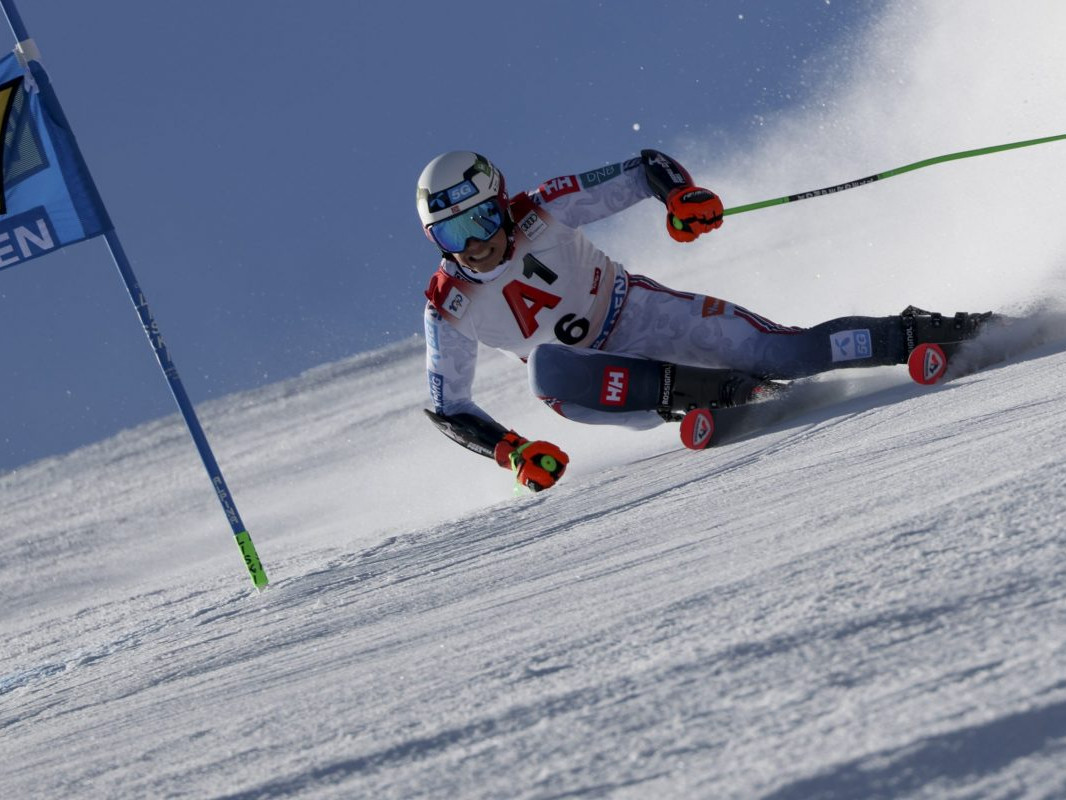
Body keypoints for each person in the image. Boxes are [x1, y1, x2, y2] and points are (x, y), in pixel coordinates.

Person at [418, 150, 990, 492]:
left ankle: (926, 334)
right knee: (545, 368)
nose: (476, 244)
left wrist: (680, 196)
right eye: (453, 234)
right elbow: (450, 406)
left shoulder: (543, 206)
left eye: (482, 219)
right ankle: (706, 395)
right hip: (599, 383)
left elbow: (645, 168)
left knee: (786, 354)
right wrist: (512, 450)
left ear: (501, 199)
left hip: (642, 314)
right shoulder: (448, 305)